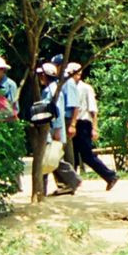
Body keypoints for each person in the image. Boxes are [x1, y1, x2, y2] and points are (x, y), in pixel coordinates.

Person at [68, 62, 117, 191]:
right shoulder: (69, 87)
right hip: (74, 122)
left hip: (83, 123)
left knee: (87, 155)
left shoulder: (85, 88)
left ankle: (109, 175)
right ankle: (71, 182)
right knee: (72, 154)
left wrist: (94, 128)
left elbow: (93, 110)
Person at [39, 63, 81, 197]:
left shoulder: (53, 91)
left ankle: (72, 179)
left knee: (50, 159)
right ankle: (70, 181)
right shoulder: (50, 89)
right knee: (52, 159)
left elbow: (56, 111)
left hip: (52, 130)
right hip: (51, 129)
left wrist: (57, 130)